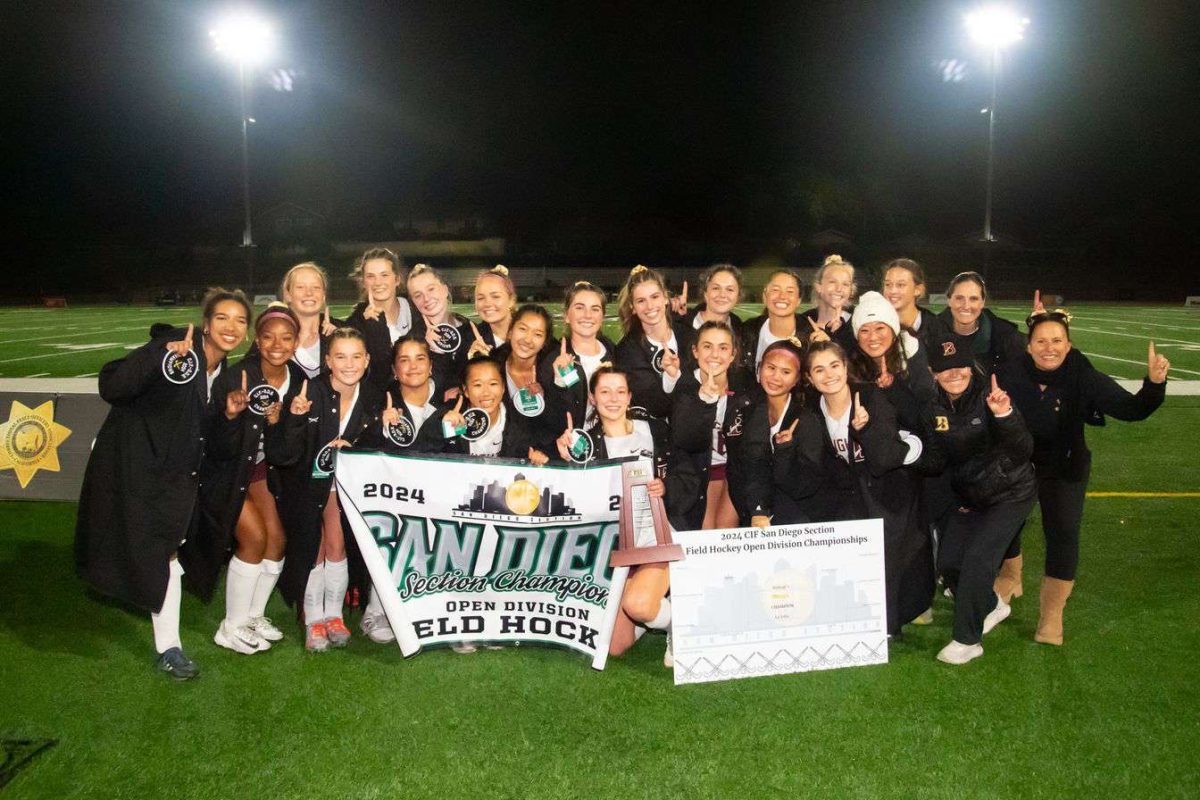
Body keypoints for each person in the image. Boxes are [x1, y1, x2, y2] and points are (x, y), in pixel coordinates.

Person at [75, 289, 251, 680]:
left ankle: (168, 646)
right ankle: (169, 647)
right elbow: (113, 385)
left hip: (174, 478)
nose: (231, 327)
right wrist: (159, 358)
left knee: (167, 552)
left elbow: (214, 442)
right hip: (137, 469)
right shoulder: (174, 350)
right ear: (205, 323)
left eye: (240, 321)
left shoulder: (224, 376)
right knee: (157, 553)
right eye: (222, 317)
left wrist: (228, 415)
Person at [1001, 305, 1168, 645]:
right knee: (1006, 523)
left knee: (1062, 533)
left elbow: (1131, 409)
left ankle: (1051, 615)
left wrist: (1154, 384)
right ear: (1028, 346)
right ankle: (1009, 577)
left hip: (1065, 465)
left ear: (1069, 343)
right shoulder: (1010, 372)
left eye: (1057, 340)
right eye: (1041, 341)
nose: (1049, 348)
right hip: (1019, 464)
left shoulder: (1082, 374)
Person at [190, 304, 308, 655]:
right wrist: (229, 415)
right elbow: (217, 448)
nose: (277, 344)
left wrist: (279, 423)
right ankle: (231, 625)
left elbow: (285, 454)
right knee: (254, 538)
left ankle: (253, 616)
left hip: (260, 471)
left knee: (277, 540)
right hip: (224, 473)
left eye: (286, 338)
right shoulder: (237, 376)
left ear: (296, 342)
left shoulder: (299, 382)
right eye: (269, 336)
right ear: (257, 339)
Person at [265, 328, 386, 652]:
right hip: (303, 485)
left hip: (341, 486)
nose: (349, 364)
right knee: (313, 548)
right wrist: (294, 419)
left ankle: (334, 615)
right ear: (328, 360)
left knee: (337, 544)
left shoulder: (373, 396)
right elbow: (283, 455)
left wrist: (360, 444)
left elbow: (375, 447)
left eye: (356, 356)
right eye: (341, 356)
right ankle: (313, 618)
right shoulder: (308, 393)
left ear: (367, 359)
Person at [801, 341, 930, 637]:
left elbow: (886, 460)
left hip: (889, 488)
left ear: (846, 367)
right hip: (852, 491)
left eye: (834, 366)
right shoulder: (811, 410)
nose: (829, 374)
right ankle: (851, 615)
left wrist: (867, 430)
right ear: (809, 377)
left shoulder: (871, 398)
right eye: (819, 369)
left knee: (889, 557)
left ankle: (886, 625)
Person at [921, 337, 1037, 664]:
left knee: (977, 560)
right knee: (949, 562)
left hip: (1010, 492)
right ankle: (991, 605)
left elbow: (1023, 449)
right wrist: (902, 452)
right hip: (971, 494)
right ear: (932, 372)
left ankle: (968, 639)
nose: (953, 374)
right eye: (944, 369)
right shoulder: (932, 407)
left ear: (971, 367)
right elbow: (934, 459)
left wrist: (1005, 416)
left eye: (960, 366)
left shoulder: (991, 396)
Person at [555, 366, 673, 666]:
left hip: (653, 537)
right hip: (614, 550)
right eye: (604, 391)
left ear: (630, 396)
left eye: (620, 391)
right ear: (592, 398)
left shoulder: (653, 429)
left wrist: (666, 485)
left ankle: (680, 625)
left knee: (640, 606)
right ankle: (656, 602)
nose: (613, 398)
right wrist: (567, 463)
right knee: (615, 646)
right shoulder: (586, 445)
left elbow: (685, 469)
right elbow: (573, 504)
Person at [666, 322, 756, 531]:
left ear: (733, 354)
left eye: (723, 348)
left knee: (725, 530)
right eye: (707, 346)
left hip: (734, 468)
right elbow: (686, 440)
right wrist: (704, 401)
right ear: (695, 351)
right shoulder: (684, 386)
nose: (715, 354)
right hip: (698, 469)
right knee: (706, 532)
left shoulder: (745, 383)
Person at [732, 338, 822, 526]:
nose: (775, 377)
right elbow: (751, 467)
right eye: (770, 368)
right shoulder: (749, 410)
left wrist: (785, 450)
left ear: (797, 379)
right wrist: (759, 509)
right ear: (759, 368)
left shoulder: (805, 420)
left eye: (786, 372)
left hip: (801, 516)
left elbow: (806, 485)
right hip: (759, 510)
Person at [614, 265, 694, 420]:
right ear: (633, 307)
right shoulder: (627, 350)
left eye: (655, 297)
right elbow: (653, 406)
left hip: (692, 433)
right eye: (641, 301)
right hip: (655, 438)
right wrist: (671, 378)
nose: (649, 306)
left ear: (665, 298)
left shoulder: (688, 335)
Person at [539, 281, 616, 433]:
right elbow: (548, 421)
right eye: (579, 307)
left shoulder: (614, 352)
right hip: (570, 449)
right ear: (566, 315)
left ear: (602, 317)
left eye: (595, 309)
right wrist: (559, 384)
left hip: (609, 446)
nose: (588, 315)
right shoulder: (551, 360)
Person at [344, 247, 423, 392]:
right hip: (380, 405)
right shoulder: (354, 325)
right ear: (363, 282)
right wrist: (374, 329)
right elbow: (373, 377)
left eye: (384, 275)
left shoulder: (418, 311)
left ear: (397, 279)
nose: (377, 282)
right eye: (370, 276)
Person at [492, 304, 560, 456]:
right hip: (500, 459)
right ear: (510, 332)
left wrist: (547, 398)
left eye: (537, 334)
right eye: (522, 329)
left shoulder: (552, 375)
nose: (528, 340)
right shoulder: (493, 368)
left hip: (542, 460)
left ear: (544, 343)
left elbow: (559, 425)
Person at [936, 271, 1024, 378]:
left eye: (973, 299)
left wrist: (1038, 323)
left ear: (982, 303)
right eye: (959, 298)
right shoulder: (928, 332)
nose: (966, 306)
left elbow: (1036, 362)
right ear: (949, 300)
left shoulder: (1005, 335)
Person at [407, 263, 472, 401]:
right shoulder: (412, 341)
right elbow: (424, 393)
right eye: (418, 295)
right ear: (413, 302)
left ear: (444, 289)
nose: (426, 298)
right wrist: (435, 352)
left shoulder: (470, 329)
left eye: (431, 289)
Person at [278, 262, 341, 379]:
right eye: (300, 287)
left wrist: (340, 342)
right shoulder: (272, 332)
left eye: (316, 287)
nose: (309, 293)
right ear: (287, 294)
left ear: (323, 296)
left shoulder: (341, 332)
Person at [743, 269, 806, 369]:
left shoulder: (812, 337)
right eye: (775, 290)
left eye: (790, 291)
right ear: (764, 297)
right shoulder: (746, 331)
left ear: (798, 300)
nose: (782, 296)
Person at [882, 257, 941, 352]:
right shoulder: (874, 325)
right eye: (888, 284)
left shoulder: (937, 328)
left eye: (900, 285)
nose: (892, 291)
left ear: (918, 289)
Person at [803, 254, 858, 351]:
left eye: (845, 284)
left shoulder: (858, 324)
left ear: (851, 291)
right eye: (832, 282)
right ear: (818, 287)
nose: (839, 289)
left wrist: (831, 342)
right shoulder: (803, 322)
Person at [470, 265, 517, 352]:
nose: (487, 304)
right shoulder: (469, 338)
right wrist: (472, 360)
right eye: (480, 298)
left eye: (495, 296)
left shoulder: (528, 333)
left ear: (511, 300)